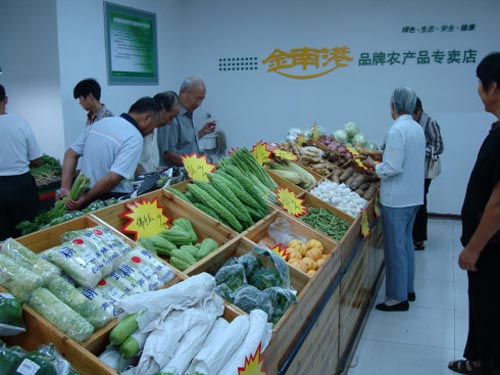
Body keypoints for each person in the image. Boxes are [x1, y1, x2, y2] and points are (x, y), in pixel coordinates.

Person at [448, 52, 500, 375]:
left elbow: (498, 202)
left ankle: (488, 363)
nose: (478, 92)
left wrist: (474, 247)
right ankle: (477, 359)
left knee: (491, 312)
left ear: (493, 87)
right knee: (481, 308)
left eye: (480, 85)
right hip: (488, 250)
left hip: (492, 250)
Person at [59, 97, 162, 210]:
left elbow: (70, 154)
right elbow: (113, 178)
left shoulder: (101, 123)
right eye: (155, 125)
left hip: (84, 194)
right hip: (107, 201)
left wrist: (65, 189)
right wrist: (84, 199)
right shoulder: (134, 137)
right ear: (148, 118)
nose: (153, 130)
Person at [374, 86, 425, 312]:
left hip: (396, 200)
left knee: (395, 250)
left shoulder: (397, 130)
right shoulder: (416, 127)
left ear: (395, 106)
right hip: (413, 197)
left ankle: (397, 298)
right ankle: (408, 289)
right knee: (406, 245)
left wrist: (373, 166)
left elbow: (392, 167)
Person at [0, 84, 43, 240]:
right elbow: (36, 158)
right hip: (21, 186)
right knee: (28, 233)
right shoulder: (20, 123)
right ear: (6, 99)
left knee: (3, 237)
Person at [157, 76, 217, 168]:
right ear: (184, 91)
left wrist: (203, 132)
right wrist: (196, 165)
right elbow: (169, 154)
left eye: (202, 99)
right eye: (197, 98)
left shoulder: (188, 112)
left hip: (192, 172)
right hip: (178, 176)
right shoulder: (171, 116)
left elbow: (185, 143)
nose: (199, 104)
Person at [412, 97, 444, 250]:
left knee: (420, 202)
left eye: (412, 113)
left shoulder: (429, 122)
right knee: (413, 202)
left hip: (424, 171)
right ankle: (412, 235)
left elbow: (439, 147)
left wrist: (418, 150)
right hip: (410, 170)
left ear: (418, 111)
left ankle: (419, 239)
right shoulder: (409, 123)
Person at [136, 91, 180, 174]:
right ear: (162, 111)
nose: (170, 123)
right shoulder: (140, 131)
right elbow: (132, 164)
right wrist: (148, 177)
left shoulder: (154, 130)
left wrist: (155, 170)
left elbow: (145, 162)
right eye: (170, 117)